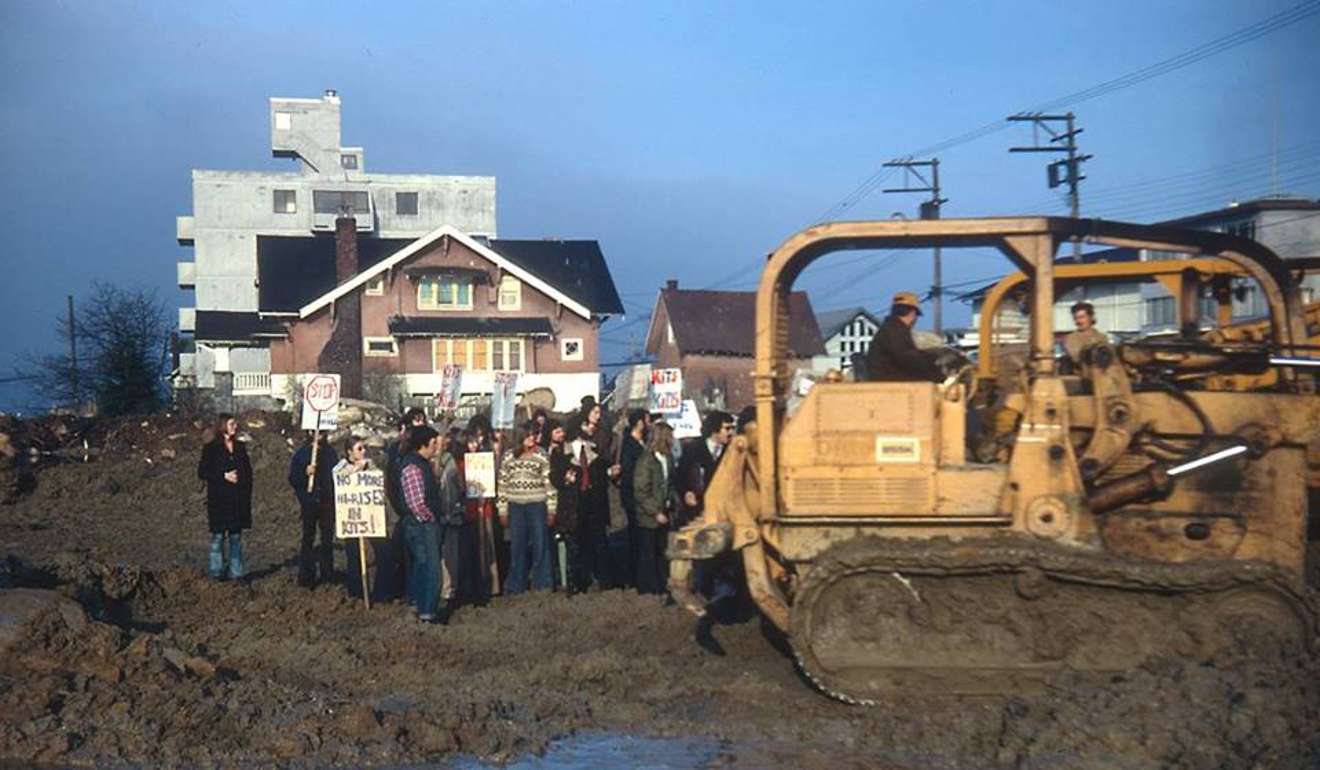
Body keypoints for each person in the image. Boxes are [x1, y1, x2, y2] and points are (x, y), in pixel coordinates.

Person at [497, 421, 558, 593]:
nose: (532, 438)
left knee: (540, 545)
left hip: (537, 505)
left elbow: (549, 484)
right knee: (517, 547)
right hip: (515, 506)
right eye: (529, 435)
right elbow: (502, 485)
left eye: (534, 434)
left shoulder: (542, 456)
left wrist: (552, 509)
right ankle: (516, 585)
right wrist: (502, 510)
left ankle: (542, 584)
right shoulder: (508, 457)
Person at [377, 407, 427, 603]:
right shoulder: (396, 450)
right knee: (401, 551)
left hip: (419, 508)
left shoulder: (426, 448)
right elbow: (391, 479)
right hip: (400, 508)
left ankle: (414, 590)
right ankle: (399, 589)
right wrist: (397, 506)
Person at [197, 413, 253, 581]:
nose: (235, 427)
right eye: (231, 424)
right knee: (218, 538)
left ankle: (236, 573)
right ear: (222, 426)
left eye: (235, 424)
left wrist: (242, 482)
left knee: (236, 538)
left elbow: (248, 472)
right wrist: (223, 476)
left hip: (237, 501)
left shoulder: (240, 448)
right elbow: (202, 472)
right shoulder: (211, 448)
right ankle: (216, 572)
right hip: (219, 501)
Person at [397, 425, 444, 623]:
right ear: (423, 445)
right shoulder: (414, 467)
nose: (436, 448)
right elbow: (416, 502)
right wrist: (431, 517)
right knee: (431, 568)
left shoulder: (420, 464)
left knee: (422, 564)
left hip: (419, 524)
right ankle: (427, 610)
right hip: (422, 525)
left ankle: (418, 604)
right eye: (433, 444)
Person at [289, 431, 340, 588]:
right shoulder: (302, 454)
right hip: (309, 502)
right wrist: (305, 473)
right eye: (318, 431)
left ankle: (327, 574)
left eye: (324, 432)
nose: (321, 434)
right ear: (310, 432)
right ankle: (306, 576)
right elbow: (293, 478)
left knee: (327, 539)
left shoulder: (330, 453)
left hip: (327, 502)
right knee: (308, 538)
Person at [569, 418, 614, 590]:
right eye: (587, 425)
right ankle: (581, 581)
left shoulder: (595, 451)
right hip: (576, 503)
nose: (591, 429)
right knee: (580, 544)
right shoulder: (566, 452)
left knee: (599, 542)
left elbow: (600, 472)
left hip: (594, 502)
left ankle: (604, 580)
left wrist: (608, 473)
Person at [633, 422, 676, 595]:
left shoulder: (668, 458)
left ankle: (661, 586)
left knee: (662, 552)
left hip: (664, 511)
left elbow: (669, 484)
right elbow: (641, 491)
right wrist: (655, 512)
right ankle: (647, 589)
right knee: (648, 554)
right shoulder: (647, 460)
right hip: (649, 516)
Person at [864, 291, 944, 383]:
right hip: (890, 380)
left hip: (885, 377)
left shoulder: (889, 329)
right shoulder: (896, 331)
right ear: (912, 313)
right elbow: (908, 359)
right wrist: (933, 363)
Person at [674, 410, 734, 528]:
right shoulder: (693, 449)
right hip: (697, 508)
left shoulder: (731, 451)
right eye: (727, 429)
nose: (731, 433)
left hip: (724, 510)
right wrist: (686, 492)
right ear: (714, 430)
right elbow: (680, 475)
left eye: (732, 428)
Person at [334, 436, 375, 598]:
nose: (363, 451)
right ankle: (355, 591)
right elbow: (337, 477)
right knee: (353, 554)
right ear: (349, 452)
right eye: (359, 448)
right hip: (351, 517)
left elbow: (377, 478)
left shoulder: (369, 464)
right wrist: (355, 470)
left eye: (364, 448)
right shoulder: (342, 466)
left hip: (369, 516)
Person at [545, 420, 583, 593]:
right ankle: (558, 579)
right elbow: (550, 475)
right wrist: (563, 479)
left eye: (561, 431)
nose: (560, 435)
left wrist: (572, 475)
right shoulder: (547, 453)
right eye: (556, 432)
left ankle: (571, 580)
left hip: (569, 501)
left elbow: (578, 467)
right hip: (553, 499)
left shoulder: (569, 450)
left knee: (571, 541)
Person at [616, 408, 650, 587]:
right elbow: (629, 471)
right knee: (636, 535)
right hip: (634, 496)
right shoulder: (630, 445)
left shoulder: (643, 442)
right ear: (639, 423)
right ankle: (634, 577)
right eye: (647, 420)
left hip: (642, 495)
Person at [1063, 301, 1108, 371]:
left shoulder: (1102, 337)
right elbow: (1077, 358)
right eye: (1075, 318)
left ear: (1091, 317)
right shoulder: (1070, 339)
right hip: (1082, 377)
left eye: (1082, 317)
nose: (1078, 321)